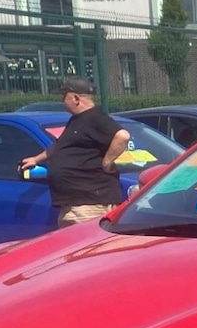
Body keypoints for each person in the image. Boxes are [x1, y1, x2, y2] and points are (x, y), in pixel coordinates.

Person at [20, 77, 132, 226]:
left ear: (76, 98)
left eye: (64, 96)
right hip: (74, 205)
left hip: (90, 204)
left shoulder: (96, 118)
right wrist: (36, 159)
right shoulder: (76, 120)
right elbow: (60, 145)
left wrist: (107, 162)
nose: (62, 101)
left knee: (87, 241)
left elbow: (122, 136)